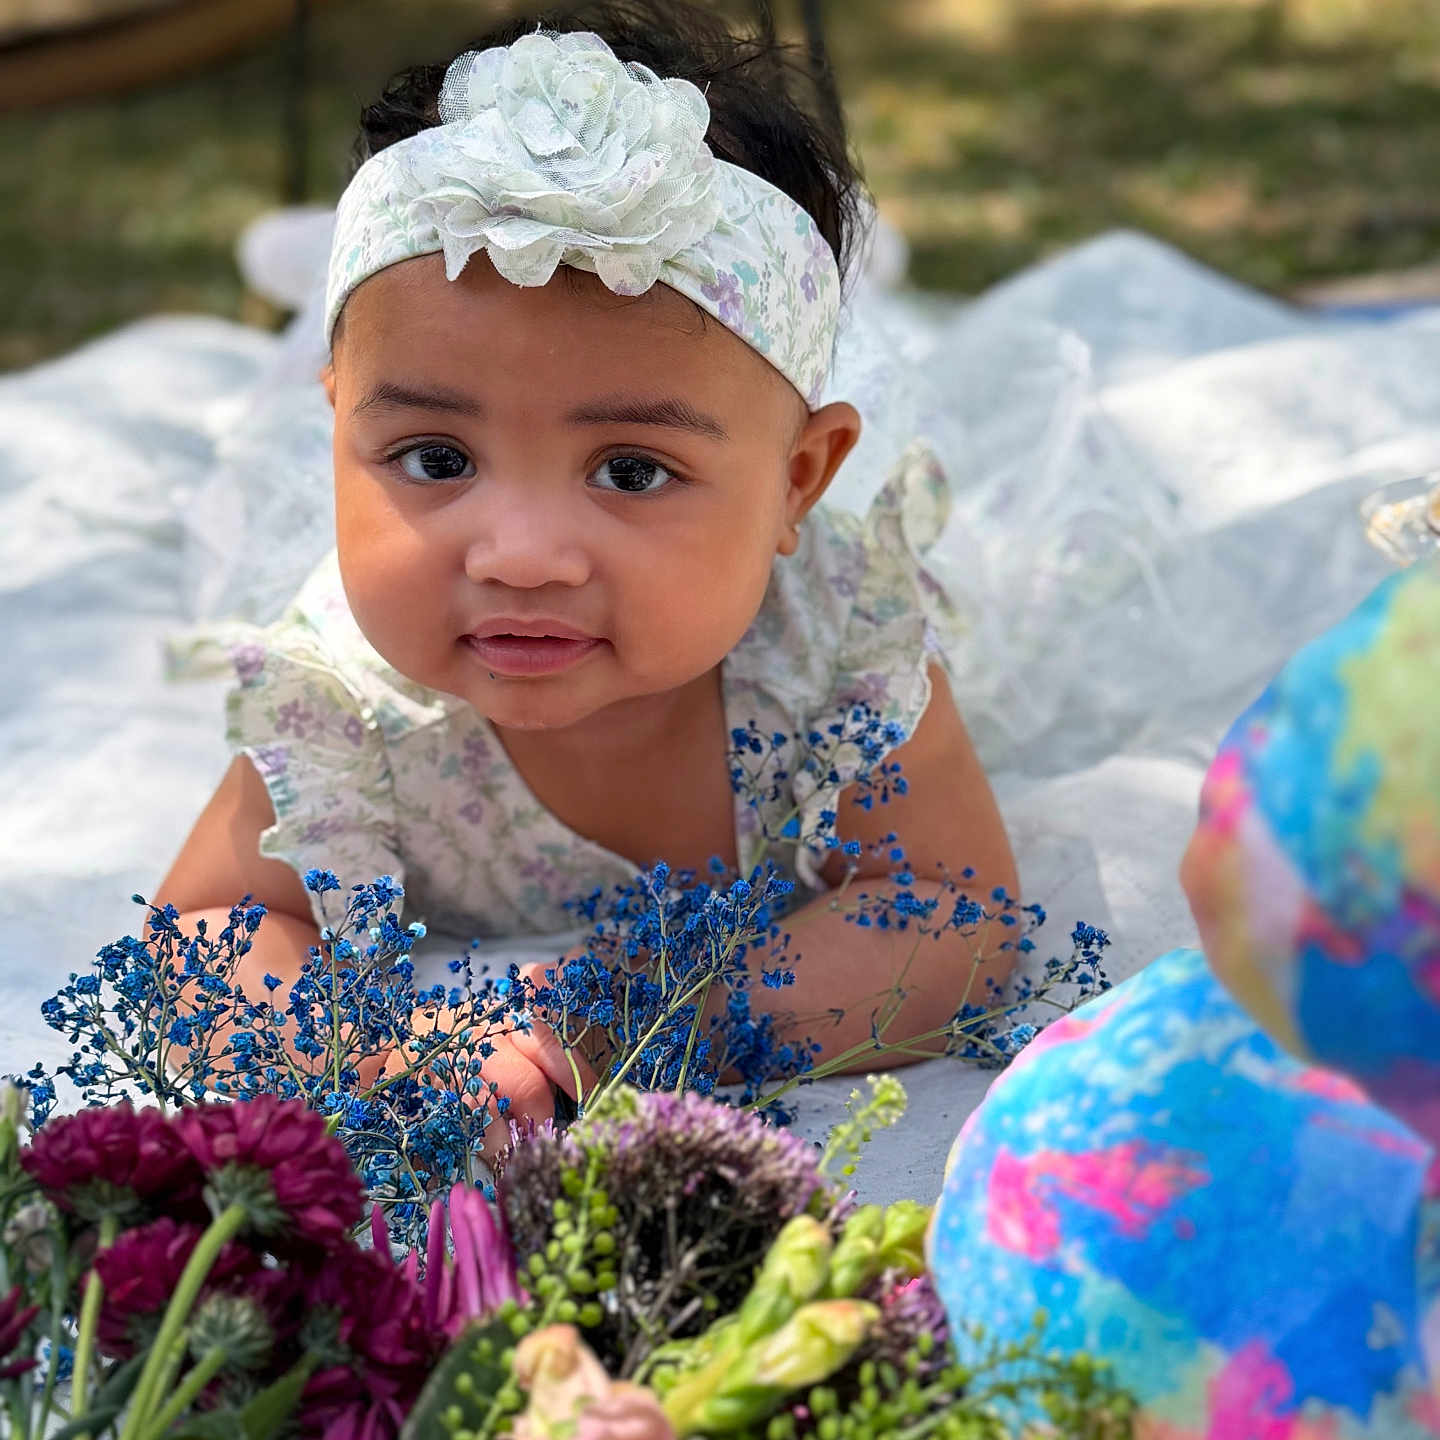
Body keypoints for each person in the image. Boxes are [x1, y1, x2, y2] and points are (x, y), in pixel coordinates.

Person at [155, 0, 1016, 1138]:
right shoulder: (344, 700)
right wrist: (391, 1052)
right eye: (436, 458)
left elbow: (954, 914)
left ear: (797, 483)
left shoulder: (841, 645)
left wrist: (655, 1023)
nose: (520, 555)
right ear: (338, 433)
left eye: (632, 471)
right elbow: (202, 938)